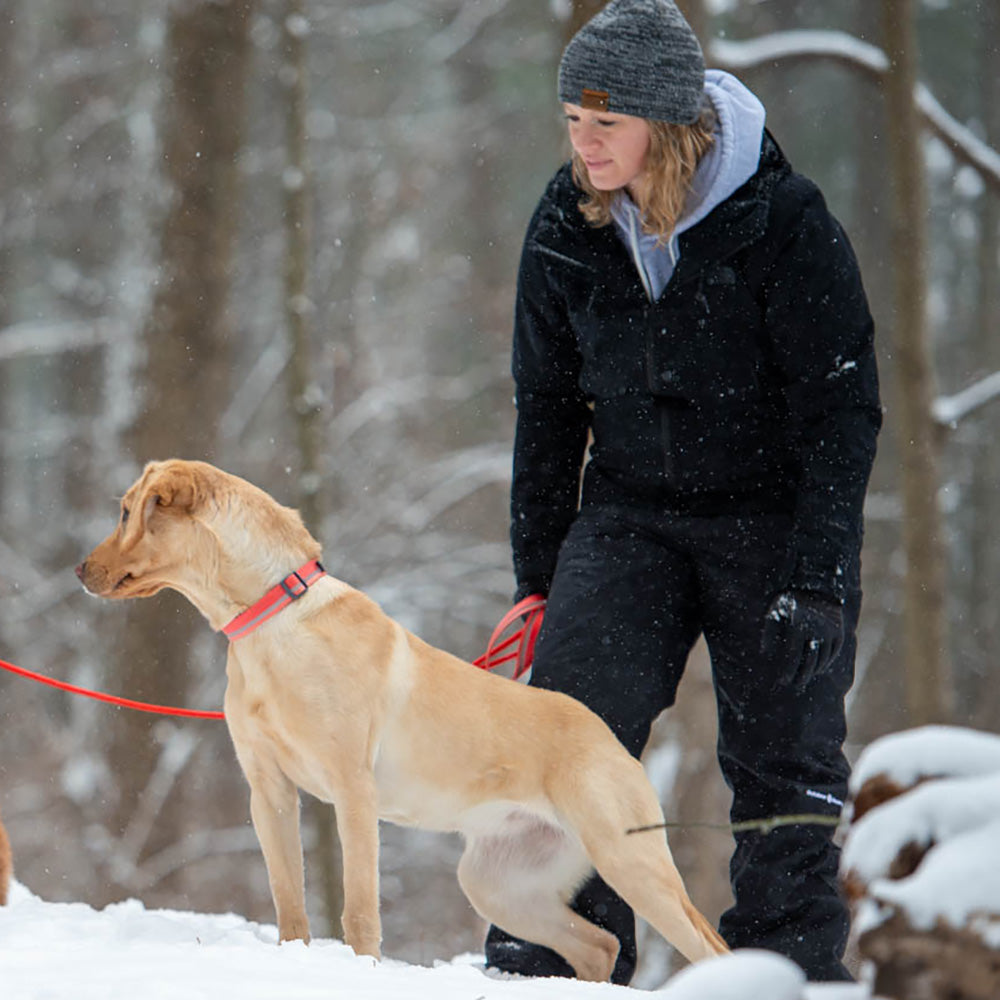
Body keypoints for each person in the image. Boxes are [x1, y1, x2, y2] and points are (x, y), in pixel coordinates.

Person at [484, 0, 881, 985]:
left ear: (664, 123)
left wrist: (819, 579)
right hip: (627, 516)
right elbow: (546, 409)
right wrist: (539, 581)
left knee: (784, 763)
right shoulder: (564, 220)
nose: (584, 143)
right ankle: (555, 963)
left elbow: (842, 415)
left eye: (604, 123)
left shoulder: (781, 222)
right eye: (571, 119)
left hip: (771, 518)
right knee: (566, 738)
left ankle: (787, 973)